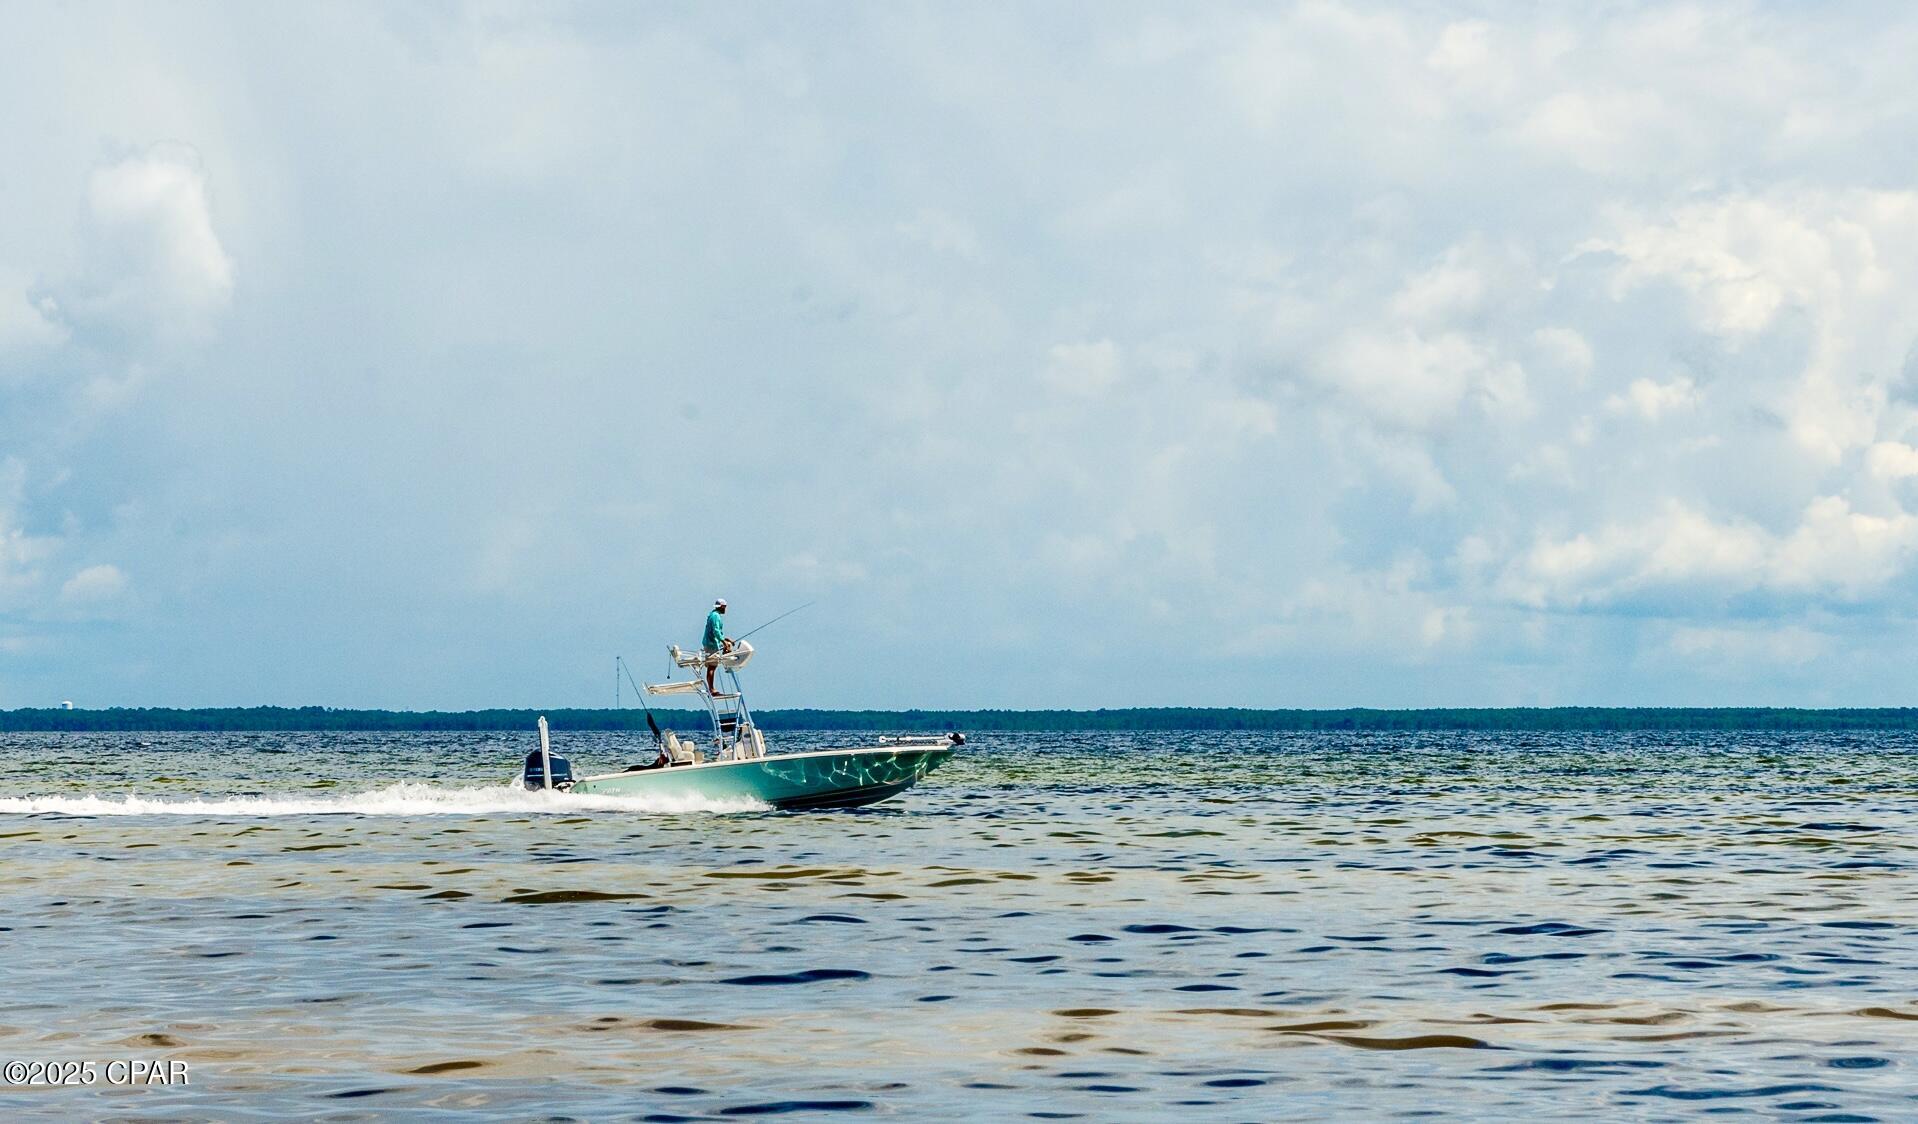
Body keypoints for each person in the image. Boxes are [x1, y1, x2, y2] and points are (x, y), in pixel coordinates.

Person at [702, 598, 732, 692]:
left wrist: (725, 639)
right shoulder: (715, 616)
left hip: (712, 643)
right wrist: (723, 642)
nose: (725, 609)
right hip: (711, 645)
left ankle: (711, 688)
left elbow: (717, 631)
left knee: (713, 666)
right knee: (712, 666)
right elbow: (716, 631)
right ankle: (711, 689)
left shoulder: (714, 614)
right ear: (722, 607)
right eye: (725, 607)